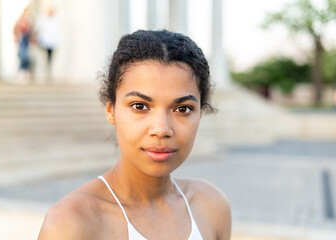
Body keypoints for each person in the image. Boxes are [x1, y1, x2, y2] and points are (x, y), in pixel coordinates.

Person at [38, 30, 231, 240]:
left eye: (182, 109)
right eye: (140, 106)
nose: (161, 129)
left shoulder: (211, 206)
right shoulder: (72, 223)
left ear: (200, 113)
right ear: (111, 110)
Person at [35, 6, 59, 80]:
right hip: (44, 42)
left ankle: (49, 72)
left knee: (50, 58)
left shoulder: (55, 20)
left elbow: (56, 32)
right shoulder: (43, 19)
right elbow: (39, 29)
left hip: (52, 43)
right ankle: (43, 73)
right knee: (44, 58)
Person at [14, 7, 33, 82]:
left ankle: (25, 71)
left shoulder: (29, 22)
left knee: (26, 56)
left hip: (26, 40)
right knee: (22, 55)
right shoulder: (19, 21)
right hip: (21, 40)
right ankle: (21, 72)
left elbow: (31, 32)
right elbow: (15, 30)